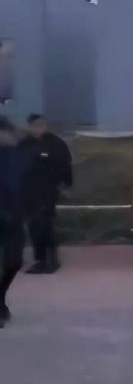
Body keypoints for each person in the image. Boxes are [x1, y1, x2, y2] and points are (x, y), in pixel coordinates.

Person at [19, 113, 72, 274]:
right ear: (29, 126)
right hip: (29, 191)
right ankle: (44, 259)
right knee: (37, 224)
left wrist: (65, 183)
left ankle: (47, 261)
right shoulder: (23, 144)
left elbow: (66, 164)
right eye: (34, 125)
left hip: (47, 190)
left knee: (43, 223)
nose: (37, 128)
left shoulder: (54, 143)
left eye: (40, 125)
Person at [0, 117, 29, 328]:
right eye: (8, 133)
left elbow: (26, 183)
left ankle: (0, 297)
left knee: (14, 261)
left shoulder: (16, 156)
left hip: (15, 216)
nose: (13, 136)